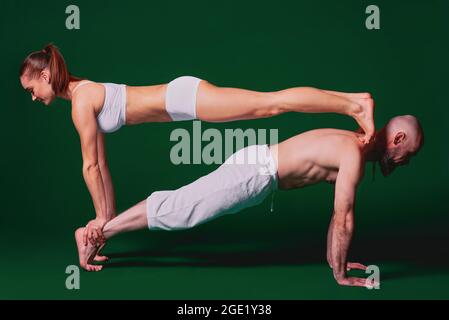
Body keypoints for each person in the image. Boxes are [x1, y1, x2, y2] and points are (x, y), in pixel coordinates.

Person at [19, 43, 375, 261]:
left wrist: (100, 221)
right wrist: (103, 222)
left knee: (270, 105)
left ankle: (353, 103)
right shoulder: (83, 94)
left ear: (46, 75)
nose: (33, 97)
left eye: (31, 88)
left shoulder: (80, 102)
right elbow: (101, 165)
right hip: (180, 101)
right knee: (269, 106)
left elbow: (91, 166)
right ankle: (352, 103)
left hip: (184, 98)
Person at [74, 115, 424, 287]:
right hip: (255, 174)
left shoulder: (352, 146)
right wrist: (342, 275)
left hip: (256, 167)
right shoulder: (352, 153)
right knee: (181, 210)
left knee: (182, 205)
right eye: (407, 154)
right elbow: (344, 218)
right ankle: (96, 233)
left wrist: (337, 265)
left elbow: (337, 215)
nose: (405, 162)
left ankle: (101, 231)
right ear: (399, 138)